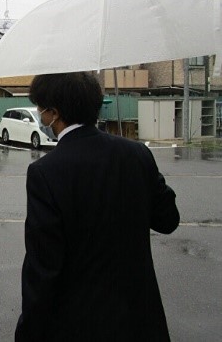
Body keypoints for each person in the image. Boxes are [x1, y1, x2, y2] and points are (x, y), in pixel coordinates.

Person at [15, 72, 180, 341]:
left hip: (80, 324)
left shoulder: (45, 172)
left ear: (54, 113)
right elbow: (168, 219)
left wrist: (29, 329)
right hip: (141, 322)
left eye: (41, 109)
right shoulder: (137, 154)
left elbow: (44, 267)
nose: (41, 116)